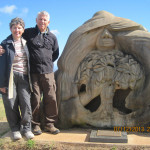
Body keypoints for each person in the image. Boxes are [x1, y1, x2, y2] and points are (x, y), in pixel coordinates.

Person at [0, 11, 60, 135]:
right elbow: (15, 35)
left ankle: (50, 124)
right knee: (35, 99)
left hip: (48, 72)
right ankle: (35, 125)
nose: (42, 21)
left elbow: (55, 53)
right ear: (36, 20)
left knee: (51, 98)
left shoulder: (53, 37)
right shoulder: (28, 32)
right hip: (33, 72)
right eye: (40, 19)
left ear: (48, 22)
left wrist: (47, 62)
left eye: (44, 20)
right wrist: (2, 46)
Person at [0, 17, 34, 140]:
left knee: (26, 103)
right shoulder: (4, 44)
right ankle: (15, 129)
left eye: (19, 28)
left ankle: (26, 129)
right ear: (10, 29)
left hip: (24, 77)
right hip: (10, 78)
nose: (17, 30)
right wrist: (1, 84)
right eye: (14, 28)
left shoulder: (26, 43)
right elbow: (1, 65)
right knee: (10, 103)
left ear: (23, 29)